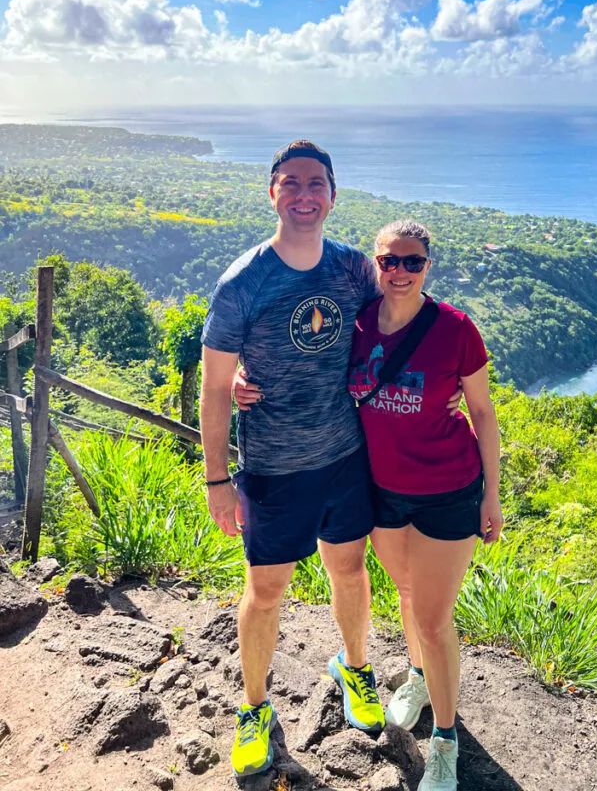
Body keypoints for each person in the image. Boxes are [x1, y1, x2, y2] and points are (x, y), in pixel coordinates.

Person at [200, 140, 386, 779]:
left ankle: (354, 667)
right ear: (271, 192)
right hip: (275, 466)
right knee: (267, 588)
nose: (304, 195)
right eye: (291, 183)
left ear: (334, 194)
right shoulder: (243, 282)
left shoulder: (356, 270)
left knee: (350, 568)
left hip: (344, 455)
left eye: (317, 183)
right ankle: (253, 709)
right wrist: (217, 479)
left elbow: (394, 330)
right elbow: (215, 387)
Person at [347, 218, 503, 791]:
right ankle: (416, 675)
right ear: (376, 264)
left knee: (435, 620)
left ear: (427, 267)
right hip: (383, 491)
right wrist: (243, 376)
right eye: (389, 260)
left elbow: (483, 413)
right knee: (407, 595)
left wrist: (492, 494)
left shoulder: (456, 329)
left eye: (412, 262)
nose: (400, 272)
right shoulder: (359, 324)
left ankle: (444, 740)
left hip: (448, 490)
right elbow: (306, 368)